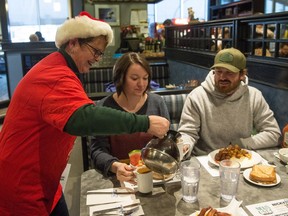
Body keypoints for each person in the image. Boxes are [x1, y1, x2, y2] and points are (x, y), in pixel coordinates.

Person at [0, 11, 169, 216]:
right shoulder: (54, 75)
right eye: (95, 51)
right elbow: (84, 118)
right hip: (22, 186)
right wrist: (145, 122)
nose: (97, 59)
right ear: (73, 43)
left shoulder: (60, 69)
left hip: (45, 182)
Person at [178, 48, 281, 156]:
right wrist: (185, 146)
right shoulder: (197, 97)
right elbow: (187, 133)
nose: (222, 77)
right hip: (205, 160)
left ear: (242, 74)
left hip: (241, 158)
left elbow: (273, 133)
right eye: (219, 72)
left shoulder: (254, 96)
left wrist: (241, 144)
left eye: (229, 73)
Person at [90, 52, 170, 184]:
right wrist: (115, 167)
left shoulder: (157, 102)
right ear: (121, 78)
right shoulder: (103, 107)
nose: (141, 84)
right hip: (117, 177)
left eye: (145, 78)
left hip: (152, 176)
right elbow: (97, 150)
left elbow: (166, 141)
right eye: (134, 78)